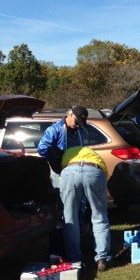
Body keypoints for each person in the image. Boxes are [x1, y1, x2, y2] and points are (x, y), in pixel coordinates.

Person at [37, 106, 112, 271]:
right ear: (69, 115)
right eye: (77, 121)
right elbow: (42, 149)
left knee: (76, 214)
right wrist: (55, 158)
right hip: (62, 171)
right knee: (69, 215)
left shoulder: (78, 130)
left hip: (71, 171)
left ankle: (83, 255)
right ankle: (89, 256)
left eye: (81, 123)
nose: (78, 125)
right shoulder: (54, 130)